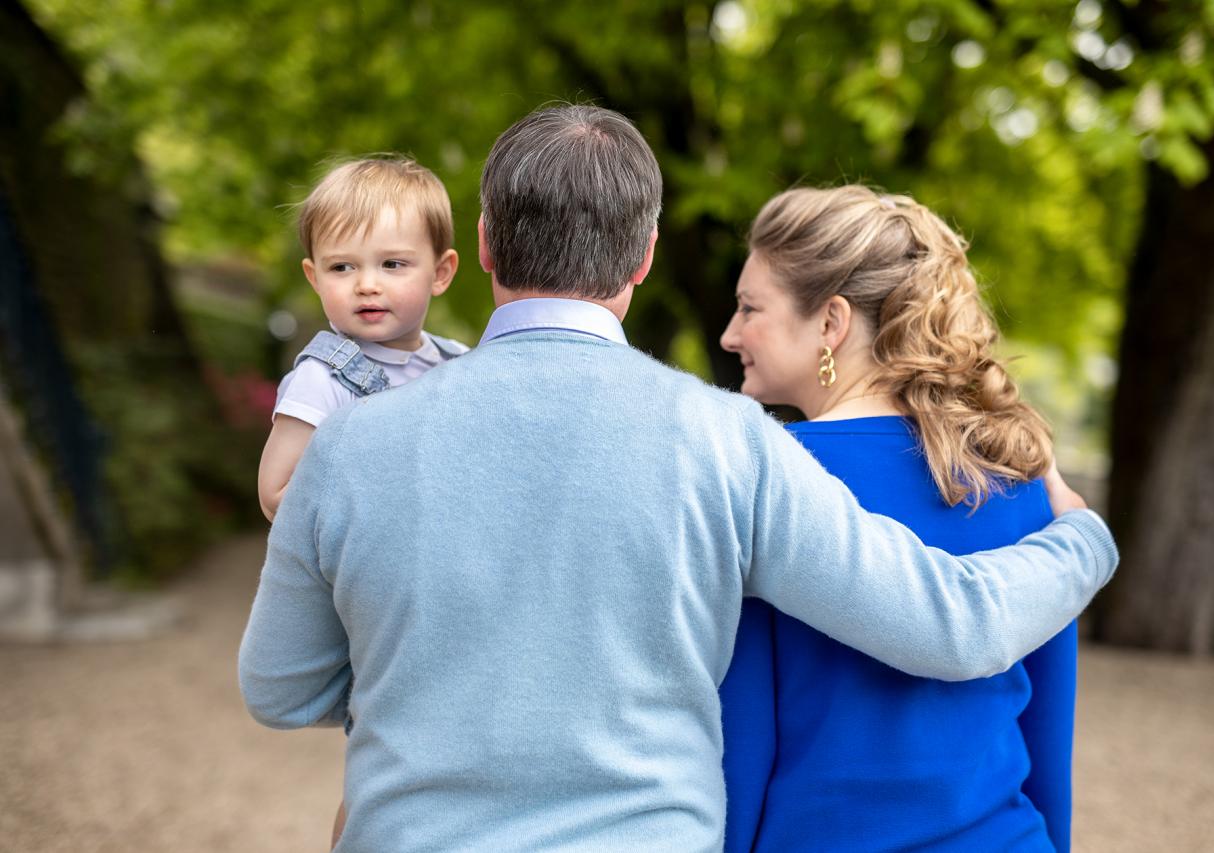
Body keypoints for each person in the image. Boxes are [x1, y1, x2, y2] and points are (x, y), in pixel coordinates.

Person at [238, 105, 1118, 852]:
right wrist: (1082, 539)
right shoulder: (726, 439)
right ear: (645, 254)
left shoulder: (348, 444)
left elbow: (281, 687)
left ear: (483, 243)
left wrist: (432, 676)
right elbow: (950, 624)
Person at [718, 185, 1078, 852]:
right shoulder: (1019, 478)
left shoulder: (766, 482)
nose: (730, 333)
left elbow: (743, 742)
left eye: (748, 308)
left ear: (830, 323)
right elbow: (1048, 723)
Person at [257, 156, 467, 521]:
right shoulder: (322, 380)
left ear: (440, 273)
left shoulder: (460, 365)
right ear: (315, 277)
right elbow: (276, 494)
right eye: (342, 267)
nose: (367, 285)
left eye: (392, 264)